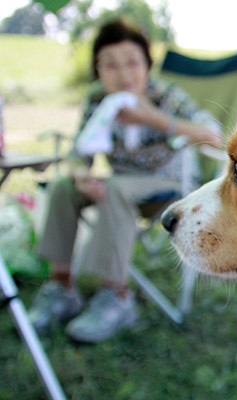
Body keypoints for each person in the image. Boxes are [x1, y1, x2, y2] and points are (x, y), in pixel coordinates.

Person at [28, 19, 222, 343]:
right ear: (98, 71)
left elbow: (212, 134)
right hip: (121, 184)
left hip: (168, 188)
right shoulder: (98, 99)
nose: (123, 74)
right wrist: (80, 174)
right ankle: (61, 288)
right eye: (110, 65)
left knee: (115, 189)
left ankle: (115, 297)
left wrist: (151, 117)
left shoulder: (164, 96)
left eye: (132, 62)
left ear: (146, 65)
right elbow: (79, 152)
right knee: (64, 186)